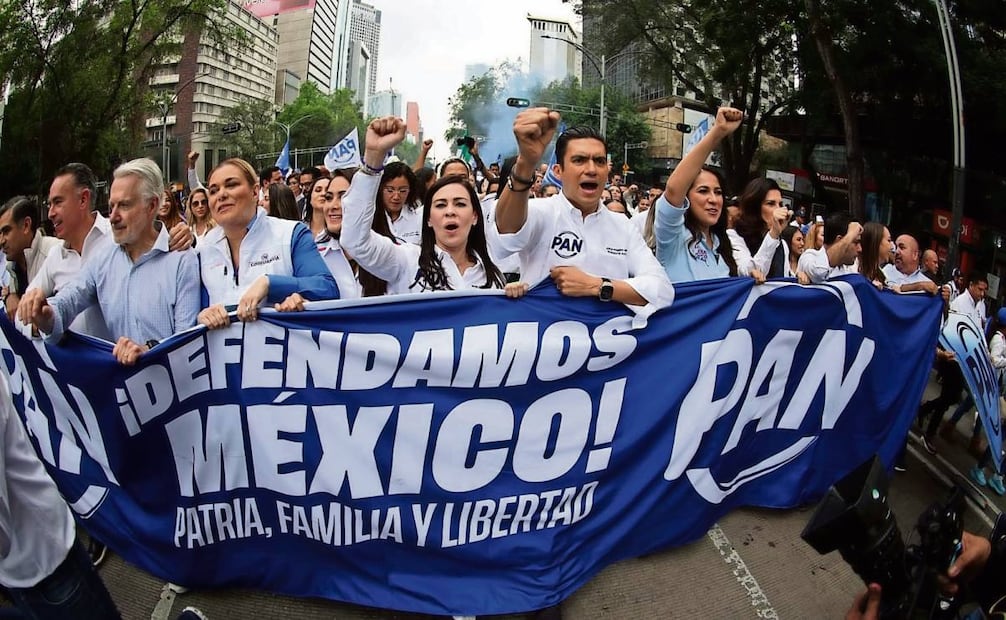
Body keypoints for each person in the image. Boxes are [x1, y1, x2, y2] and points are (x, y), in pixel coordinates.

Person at [493, 108, 674, 318]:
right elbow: (504, 240)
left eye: (599, 161)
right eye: (579, 160)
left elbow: (662, 291)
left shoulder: (623, 226)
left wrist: (597, 286)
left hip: (608, 345)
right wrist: (526, 162)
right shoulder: (539, 211)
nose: (591, 169)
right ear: (558, 172)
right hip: (544, 340)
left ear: (607, 170)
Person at [18, 158, 200, 365]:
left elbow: (187, 344)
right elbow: (69, 299)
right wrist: (47, 315)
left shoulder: (183, 261)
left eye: (124, 205)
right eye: (112, 206)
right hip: (121, 394)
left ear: (152, 206)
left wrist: (149, 350)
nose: (113, 217)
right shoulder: (103, 258)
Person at [341, 117, 523, 297]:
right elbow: (355, 241)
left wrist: (516, 298)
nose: (450, 211)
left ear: (475, 216)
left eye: (460, 204)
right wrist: (373, 159)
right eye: (440, 205)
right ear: (427, 218)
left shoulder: (493, 277)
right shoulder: (407, 262)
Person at [196, 158, 339, 329]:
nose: (221, 195)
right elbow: (196, 312)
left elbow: (327, 289)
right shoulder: (203, 250)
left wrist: (270, 284)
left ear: (255, 192)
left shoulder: (291, 233)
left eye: (231, 185)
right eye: (213, 191)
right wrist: (202, 317)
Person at [654, 106, 741, 282]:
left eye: (718, 193)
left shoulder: (722, 246)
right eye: (703, 191)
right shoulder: (673, 238)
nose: (713, 199)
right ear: (686, 197)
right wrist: (718, 131)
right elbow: (673, 189)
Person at [0, 196, 61, 315]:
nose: (1, 241)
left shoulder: (56, 253)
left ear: (26, 226)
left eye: (6, 231)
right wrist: (10, 295)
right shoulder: (12, 263)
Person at [729, 177, 791, 281]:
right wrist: (773, 234)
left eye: (780, 204)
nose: (778, 209)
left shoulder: (782, 244)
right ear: (755, 207)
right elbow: (751, 273)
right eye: (770, 204)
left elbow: (784, 280)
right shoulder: (734, 236)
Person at [314, 170, 362, 299]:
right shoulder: (314, 253)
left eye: (343, 197)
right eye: (328, 198)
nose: (333, 206)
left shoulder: (390, 251)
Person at [799, 211, 862, 284]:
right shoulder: (809, 258)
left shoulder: (850, 267)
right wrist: (850, 235)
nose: (860, 249)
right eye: (855, 242)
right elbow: (819, 272)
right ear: (839, 240)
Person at [378, 162, 423, 245]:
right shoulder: (370, 217)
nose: (396, 197)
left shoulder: (419, 217)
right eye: (390, 190)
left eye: (402, 191)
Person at [857, 222, 892, 287]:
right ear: (876, 242)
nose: (892, 246)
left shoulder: (882, 276)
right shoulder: (853, 269)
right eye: (889, 240)